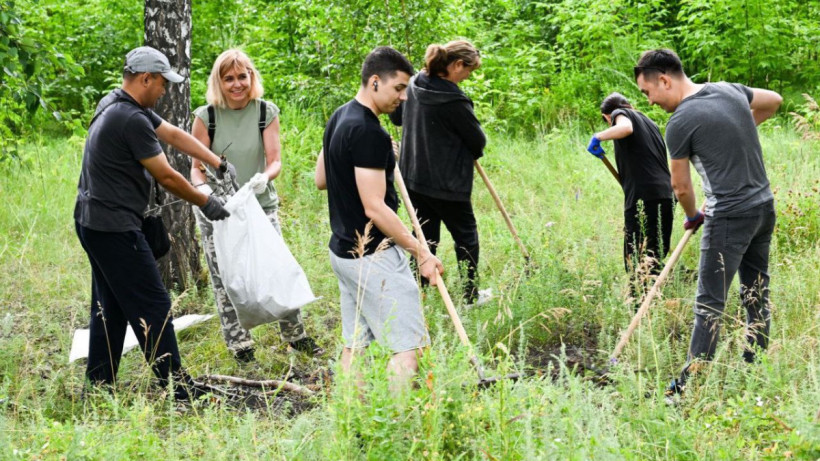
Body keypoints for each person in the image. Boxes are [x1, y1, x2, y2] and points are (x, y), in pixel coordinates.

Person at [74, 46, 233, 400]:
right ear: (146, 78)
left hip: (92, 221)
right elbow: (167, 176)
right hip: (113, 227)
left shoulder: (117, 103)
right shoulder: (130, 118)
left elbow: (173, 133)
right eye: (162, 83)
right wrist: (206, 202)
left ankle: (99, 386)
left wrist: (215, 161)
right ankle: (178, 388)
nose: (164, 90)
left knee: (110, 305)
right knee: (153, 303)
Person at [634, 48, 782, 396]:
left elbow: (681, 187)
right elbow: (774, 100)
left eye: (647, 92)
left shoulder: (680, 122)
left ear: (664, 80)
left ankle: (688, 388)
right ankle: (756, 364)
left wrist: (692, 215)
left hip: (728, 217)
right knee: (756, 292)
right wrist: (733, 132)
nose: (649, 101)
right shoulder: (730, 90)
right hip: (763, 208)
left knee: (709, 304)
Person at [314, 46, 444, 387]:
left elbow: (321, 179)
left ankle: (352, 416)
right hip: (374, 258)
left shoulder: (340, 116)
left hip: (344, 254)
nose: (403, 97)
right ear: (375, 82)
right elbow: (374, 206)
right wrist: (421, 253)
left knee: (355, 346)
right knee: (408, 350)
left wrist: (382, 158)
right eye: (398, 88)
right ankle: (397, 420)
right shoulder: (369, 132)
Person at [190, 49, 323, 362]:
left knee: (277, 269)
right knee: (226, 277)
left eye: (242, 76)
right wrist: (205, 192)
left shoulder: (265, 111)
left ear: (251, 77)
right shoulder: (206, 117)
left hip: (259, 204)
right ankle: (240, 346)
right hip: (219, 210)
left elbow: (275, 160)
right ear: (219, 82)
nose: (237, 84)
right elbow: (196, 168)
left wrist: (264, 177)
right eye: (229, 78)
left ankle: (296, 336)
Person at [389, 40, 489, 306]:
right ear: (457, 65)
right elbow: (478, 142)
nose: (468, 76)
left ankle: (418, 294)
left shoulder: (413, 84)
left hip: (413, 177)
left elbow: (396, 117)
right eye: (469, 70)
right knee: (466, 238)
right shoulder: (453, 100)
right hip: (448, 183)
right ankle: (470, 297)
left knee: (424, 237)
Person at [587, 92, 674, 306]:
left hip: (644, 197)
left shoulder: (621, 115)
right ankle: (657, 304)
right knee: (654, 254)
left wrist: (599, 136)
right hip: (666, 194)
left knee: (635, 257)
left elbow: (625, 128)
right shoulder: (650, 123)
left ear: (607, 117)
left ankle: (638, 307)